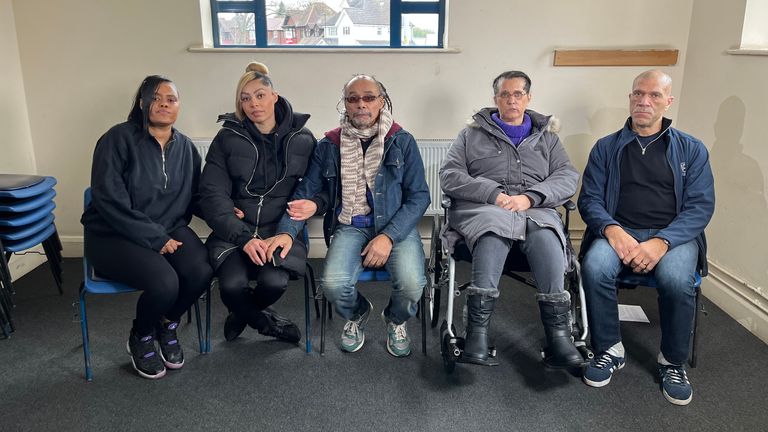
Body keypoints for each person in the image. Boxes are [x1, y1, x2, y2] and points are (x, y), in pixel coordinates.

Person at [578, 70, 715, 405]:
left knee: (674, 277)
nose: (644, 101)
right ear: (630, 98)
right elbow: (590, 199)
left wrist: (662, 242)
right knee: (594, 267)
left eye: (654, 95)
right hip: (619, 230)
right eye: (638, 94)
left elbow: (700, 207)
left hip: (673, 237)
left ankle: (672, 361)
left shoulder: (691, 150)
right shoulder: (606, 147)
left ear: (668, 102)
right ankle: (609, 348)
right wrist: (612, 231)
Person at [268, 74, 430, 357]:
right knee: (332, 285)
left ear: (381, 101)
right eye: (353, 99)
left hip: (395, 227)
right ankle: (357, 313)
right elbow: (305, 194)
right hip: (350, 226)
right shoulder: (329, 144)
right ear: (345, 104)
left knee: (413, 285)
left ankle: (395, 319)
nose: (361, 104)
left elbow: (419, 197)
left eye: (368, 97)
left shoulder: (402, 141)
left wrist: (388, 237)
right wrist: (285, 231)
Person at [439, 70, 584, 368]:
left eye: (518, 94)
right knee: (493, 229)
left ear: (529, 98)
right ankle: (477, 334)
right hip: (483, 208)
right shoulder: (470, 135)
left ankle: (559, 336)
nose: (511, 100)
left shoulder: (549, 139)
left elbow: (567, 176)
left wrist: (531, 198)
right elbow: (450, 175)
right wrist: (493, 194)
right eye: (505, 94)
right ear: (495, 99)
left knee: (545, 233)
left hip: (535, 209)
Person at [82, 75, 213, 379]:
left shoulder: (187, 148)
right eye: (156, 97)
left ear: (179, 106)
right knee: (165, 283)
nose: (164, 103)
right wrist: (154, 237)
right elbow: (108, 200)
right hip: (112, 234)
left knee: (201, 271)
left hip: (167, 228)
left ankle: (166, 324)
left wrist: (224, 209)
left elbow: (195, 199)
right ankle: (141, 336)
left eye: (171, 98)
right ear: (142, 103)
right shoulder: (116, 139)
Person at [198, 62, 317, 345]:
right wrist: (243, 236)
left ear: (275, 96)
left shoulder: (304, 139)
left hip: (280, 232)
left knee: (273, 282)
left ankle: (241, 315)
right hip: (235, 231)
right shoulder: (227, 138)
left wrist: (316, 204)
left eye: (260, 95)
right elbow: (212, 195)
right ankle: (267, 324)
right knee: (231, 285)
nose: (253, 104)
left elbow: (319, 189)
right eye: (245, 98)